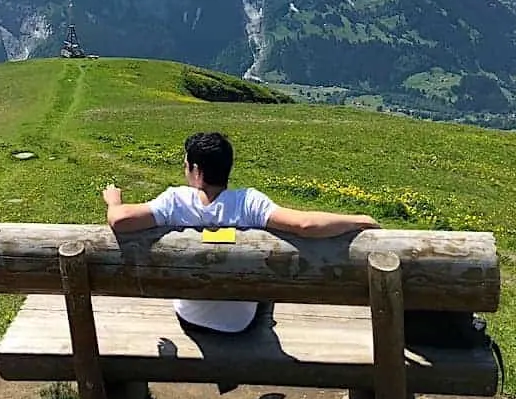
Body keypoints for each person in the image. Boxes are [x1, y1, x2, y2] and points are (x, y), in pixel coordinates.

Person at [101, 130, 380, 335]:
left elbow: (120, 220)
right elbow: (305, 225)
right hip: (239, 323)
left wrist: (114, 200)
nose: (185, 170)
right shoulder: (248, 203)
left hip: (190, 316)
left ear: (197, 171)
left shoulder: (175, 201)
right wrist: (358, 220)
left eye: (186, 165)